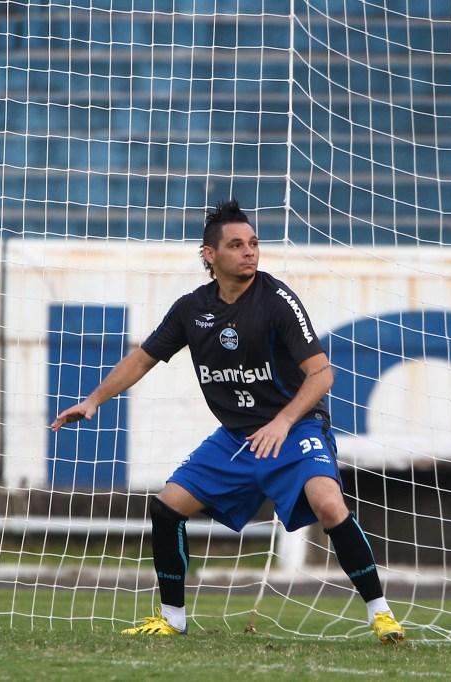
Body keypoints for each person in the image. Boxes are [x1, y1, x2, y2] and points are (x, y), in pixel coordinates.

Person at [50, 200, 405, 644]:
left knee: (328, 503)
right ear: (209, 255)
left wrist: (282, 421)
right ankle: (172, 618)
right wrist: (94, 400)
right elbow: (143, 358)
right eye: (236, 245)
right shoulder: (191, 309)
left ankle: (381, 613)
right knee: (165, 508)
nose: (249, 252)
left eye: (253, 243)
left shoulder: (276, 300)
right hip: (237, 439)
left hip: (295, 430)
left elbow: (322, 374)